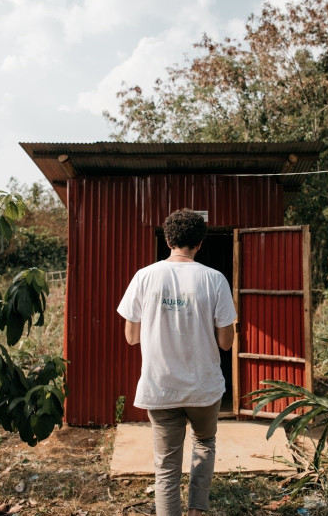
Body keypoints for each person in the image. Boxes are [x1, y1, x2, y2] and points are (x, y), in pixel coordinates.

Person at [117, 209, 236, 516]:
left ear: (167, 240)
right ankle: (197, 511)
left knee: (166, 465)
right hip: (204, 388)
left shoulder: (144, 276)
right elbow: (226, 342)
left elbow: (131, 336)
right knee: (204, 443)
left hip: (161, 386)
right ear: (200, 243)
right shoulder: (215, 280)